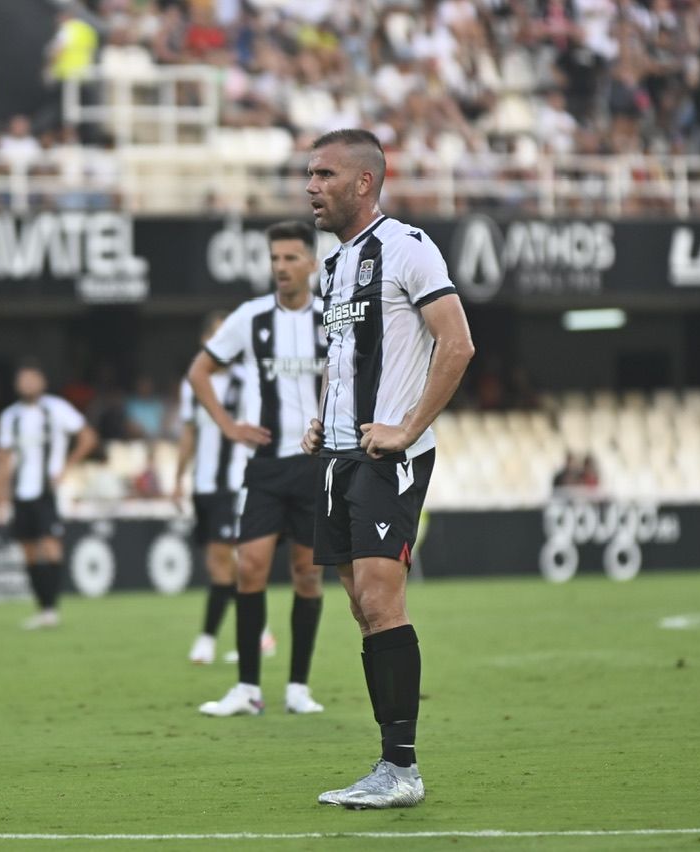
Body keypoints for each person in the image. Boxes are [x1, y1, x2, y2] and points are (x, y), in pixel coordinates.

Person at [301, 129, 474, 808]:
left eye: (324, 174)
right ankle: (390, 766)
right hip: (338, 457)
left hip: (386, 457)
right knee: (361, 608)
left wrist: (407, 428)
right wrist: (321, 415)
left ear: (364, 182)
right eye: (309, 174)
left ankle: (400, 768)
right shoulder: (333, 265)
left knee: (380, 601)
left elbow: (456, 344)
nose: (311, 186)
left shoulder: (406, 247)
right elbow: (342, 357)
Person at [188, 220, 328, 717]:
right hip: (265, 467)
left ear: (312, 263)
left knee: (307, 576)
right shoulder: (250, 317)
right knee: (249, 568)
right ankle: (248, 688)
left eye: (291, 258)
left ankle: (298, 687)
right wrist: (227, 425)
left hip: (315, 466)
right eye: (275, 259)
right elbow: (198, 371)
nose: (281, 267)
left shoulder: (331, 316)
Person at [0, 361, 97, 630]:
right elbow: (4, 460)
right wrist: (0, 499)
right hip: (20, 492)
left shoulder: (57, 408)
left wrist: (66, 466)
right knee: (28, 552)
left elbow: (88, 438)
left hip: (48, 491)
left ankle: (51, 608)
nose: (28, 384)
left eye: (32, 378)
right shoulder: (9, 417)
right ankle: (42, 608)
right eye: (23, 379)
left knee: (51, 547)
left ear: (42, 382)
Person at [174, 312, 250, 664]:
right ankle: (258, 629)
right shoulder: (192, 383)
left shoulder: (246, 381)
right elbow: (188, 433)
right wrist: (178, 477)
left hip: (233, 483)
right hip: (203, 486)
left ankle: (206, 639)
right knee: (216, 563)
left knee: (222, 561)